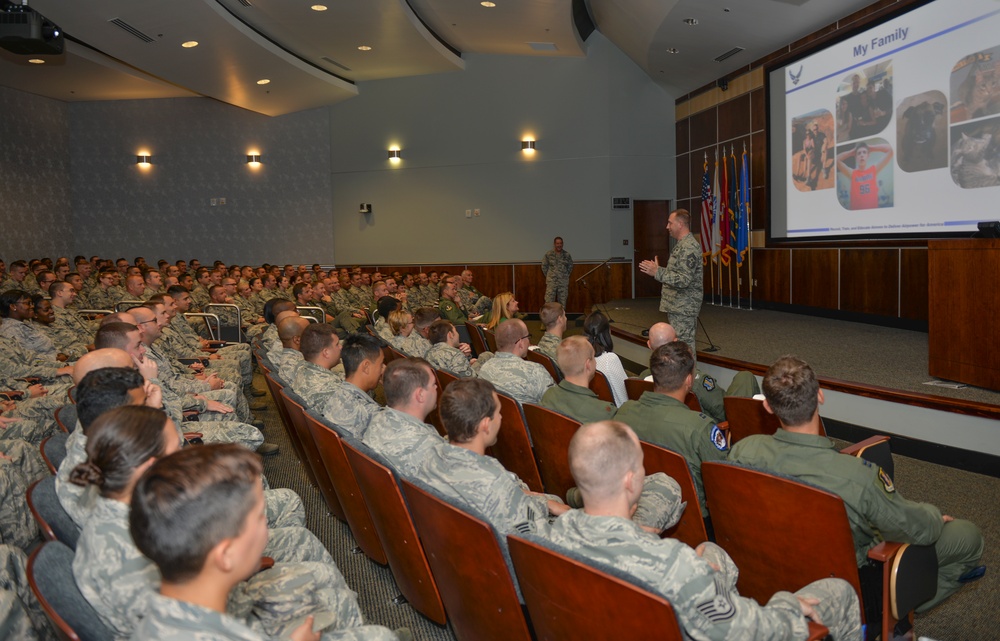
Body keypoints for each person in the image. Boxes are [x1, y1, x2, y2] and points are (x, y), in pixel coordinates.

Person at [544, 420, 863, 641]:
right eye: (641, 465)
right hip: (720, 623)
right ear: (630, 480)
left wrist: (695, 570)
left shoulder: (552, 534)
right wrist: (787, 604)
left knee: (713, 553)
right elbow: (760, 631)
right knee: (839, 592)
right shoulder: (675, 566)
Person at [729, 356, 985, 614]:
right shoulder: (856, 476)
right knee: (967, 536)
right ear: (820, 396)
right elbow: (918, 530)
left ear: (769, 407)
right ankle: (895, 613)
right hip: (849, 584)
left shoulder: (742, 452)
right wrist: (934, 517)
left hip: (768, 567)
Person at [614, 342, 727, 517]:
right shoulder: (699, 428)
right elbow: (722, 482)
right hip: (692, 519)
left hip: (636, 506)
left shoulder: (624, 412)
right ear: (689, 380)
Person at [641, 322, 759, 424]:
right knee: (745, 377)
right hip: (710, 427)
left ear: (649, 344)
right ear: (676, 342)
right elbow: (723, 411)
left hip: (667, 423)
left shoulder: (642, 377)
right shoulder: (694, 380)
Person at [362, 358, 444, 477]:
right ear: (420, 395)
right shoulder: (430, 446)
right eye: (433, 384)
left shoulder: (375, 419)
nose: (436, 388)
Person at [639, 209, 703, 357]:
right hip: (678, 306)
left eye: (670, 223)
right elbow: (678, 274)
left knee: (684, 349)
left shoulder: (688, 247)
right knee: (679, 349)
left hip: (684, 307)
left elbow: (684, 279)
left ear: (680, 224)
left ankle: (688, 379)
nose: (667, 227)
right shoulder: (682, 245)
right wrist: (658, 270)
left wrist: (657, 272)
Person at [540, 336, 616, 424]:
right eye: (593, 357)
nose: (595, 362)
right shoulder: (603, 413)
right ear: (588, 365)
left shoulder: (548, 396)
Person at [322, 334, 384, 438]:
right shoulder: (371, 414)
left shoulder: (335, 394)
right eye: (381, 364)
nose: (382, 370)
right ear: (366, 367)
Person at [478, 319, 554, 404]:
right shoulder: (535, 372)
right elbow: (556, 405)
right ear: (521, 343)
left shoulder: (484, 369)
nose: (529, 341)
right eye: (528, 337)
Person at [582, 311, 628, 407]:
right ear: (607, 332)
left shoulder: (579, 357)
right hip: (615, 414)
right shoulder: (609, 360)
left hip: (593, 408)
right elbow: (624, 397)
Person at [837, 141, 893, 210]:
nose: (862, 155)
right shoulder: (852, 173)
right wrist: (851, 152)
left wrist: (872, 148)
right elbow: (836, 159)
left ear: (868, 156)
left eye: (864, 152)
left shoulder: (873, 170)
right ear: (856, 157)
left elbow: (891, 149)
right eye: (859, 153)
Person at [541, 236, 573, 307]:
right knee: (548, 302)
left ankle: (561, 317)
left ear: (562, 244)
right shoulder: (549, 254)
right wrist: (550, 276)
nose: (559, 245)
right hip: (551, 282)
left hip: (563, 283)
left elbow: (570, 267)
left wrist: (564, 275)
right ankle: (548, 318)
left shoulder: (567, 255)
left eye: (560, 243)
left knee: (562, 303)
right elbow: (544, 266)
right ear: (554, 244)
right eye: (557, 243)